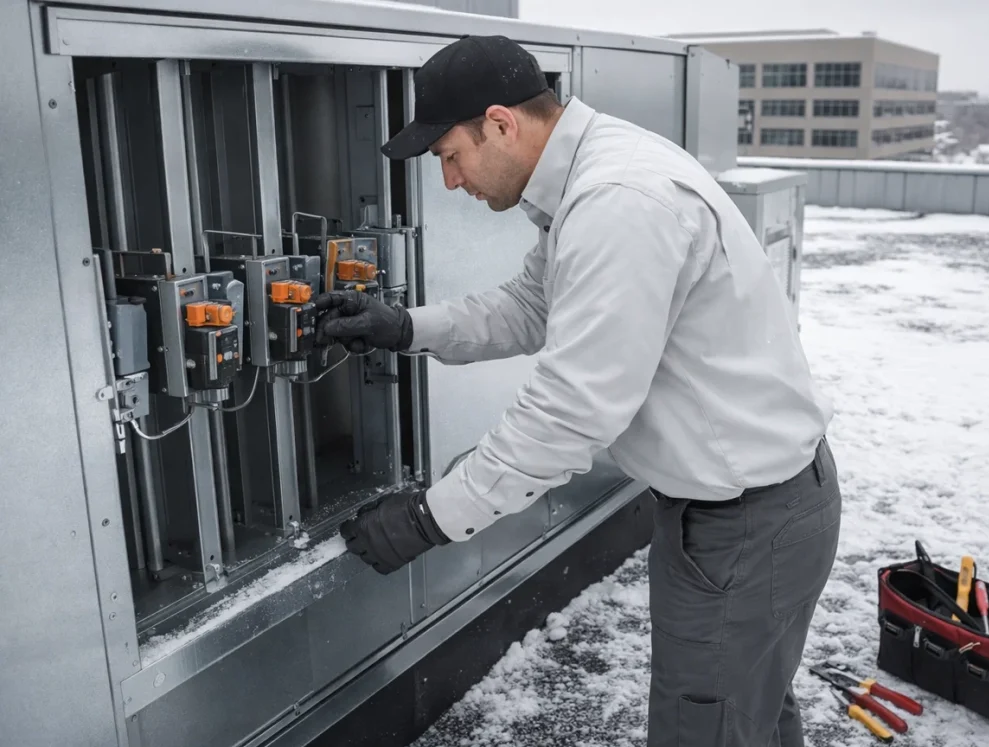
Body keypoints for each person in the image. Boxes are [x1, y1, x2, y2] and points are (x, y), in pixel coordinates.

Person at [314, 34, 841, 747]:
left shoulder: (617, 202)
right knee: (744, 714)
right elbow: (531, 307)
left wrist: (429, 517)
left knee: (707, 728)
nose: (450, 182)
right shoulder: (587, 183)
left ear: (500, 123)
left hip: (745, 526)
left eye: (449, 157)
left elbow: (570, 413)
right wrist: (404, 326)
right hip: (742, 509)